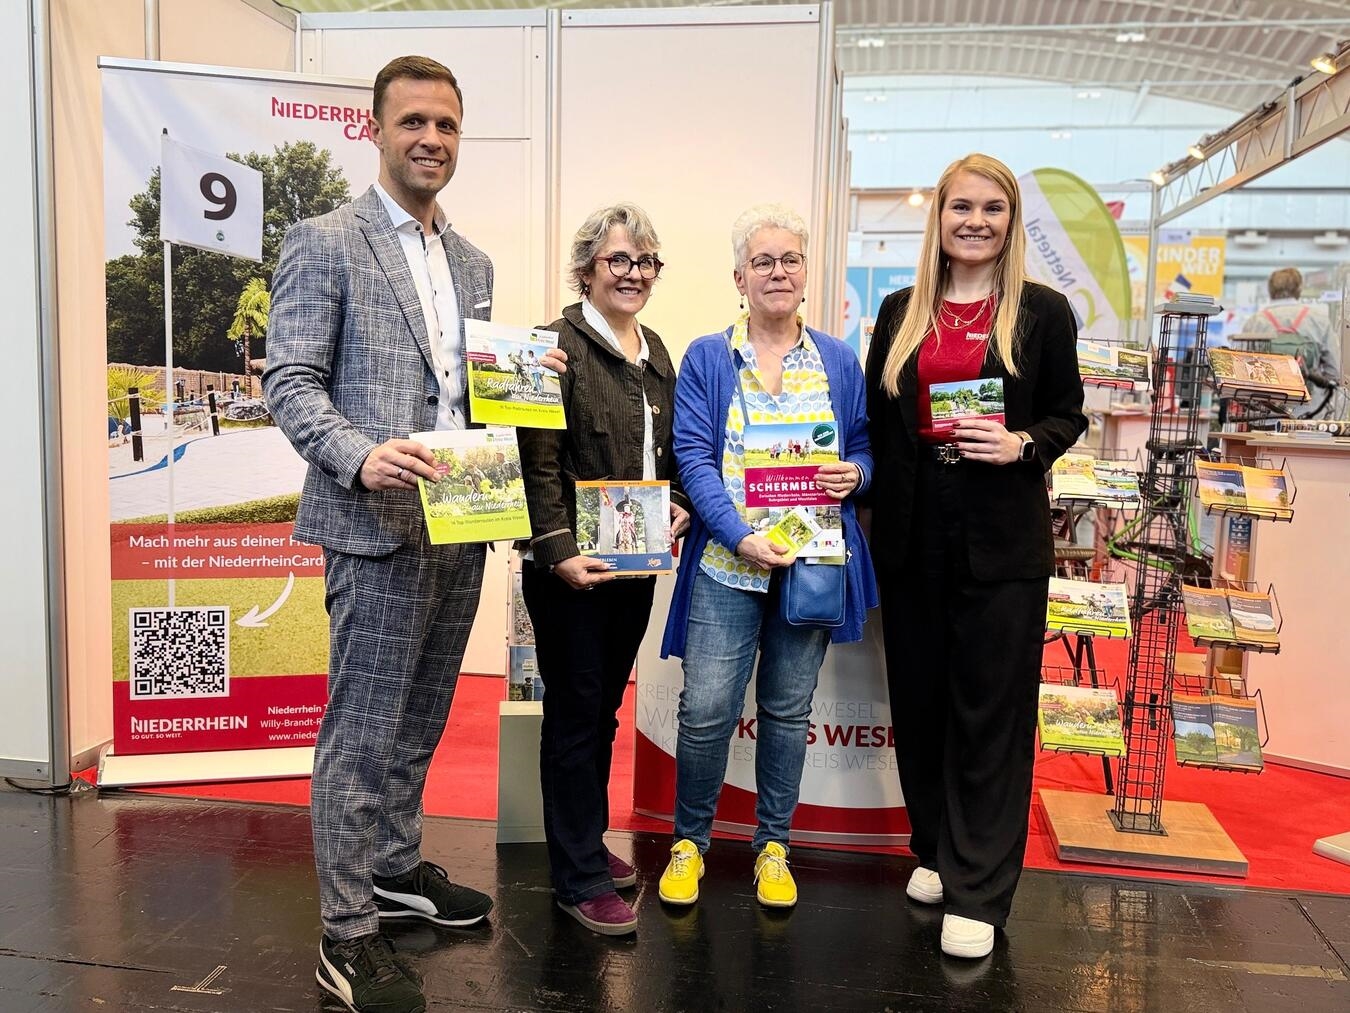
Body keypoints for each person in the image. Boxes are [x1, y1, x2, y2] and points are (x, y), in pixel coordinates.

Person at [264, 55, 564, 1013]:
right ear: (377, 131)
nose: (431, 139)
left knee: (423, 718)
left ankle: (393, 868)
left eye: (447, 125)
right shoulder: (325, 240)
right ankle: (346, 933)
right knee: (359, 734)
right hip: (373, 523)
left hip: (462, 521)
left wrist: (529, 374)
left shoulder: (470, 261)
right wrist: (358, 454)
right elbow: (291, 381)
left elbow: (467, 391)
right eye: (413, 123)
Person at [864, 153, 1087, 960]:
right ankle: (935, 848)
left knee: (989, 712)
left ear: (1011, 220)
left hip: (1000, 529)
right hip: (913, 526)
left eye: (993, 208)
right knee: (920, 704)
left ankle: (982, 890)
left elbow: (1069, 414)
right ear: (940, 216)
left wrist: (1023, 441)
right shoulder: (899, 312)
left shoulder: (1042, 312)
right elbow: (880, 430)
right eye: (962, 206)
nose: (976, 221)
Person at [658, 204, 877, 910]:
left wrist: (858, 474)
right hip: (729, 564)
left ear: (807, 273)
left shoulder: (839, 360)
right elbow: (691, 456)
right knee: (706, 710)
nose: (777, 272)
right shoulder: (707, 356)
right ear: (739, 278)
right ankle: (689, 841)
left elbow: (866, 445)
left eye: (789, 259)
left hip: (812, 565)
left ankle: (772, 845)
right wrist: (736, 533)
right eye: (763, 261)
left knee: (787, 709)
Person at [515, 203, 690, 935]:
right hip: (572, 572)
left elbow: (672, 449)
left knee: (602, 710)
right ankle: (577, 875)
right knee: (576, 715)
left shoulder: (656, 350)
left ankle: (581, 840)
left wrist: (679, 503)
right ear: (586, 266)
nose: (634, 274)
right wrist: (557, 551)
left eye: (646, 261)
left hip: (635, 565)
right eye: (620, 260)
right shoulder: (551, 346)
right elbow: (536, 459)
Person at [1237, 267, 1341, 417]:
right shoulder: (1319, 320)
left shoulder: (1255, 322)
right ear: (1299, 289)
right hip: (1310, 414)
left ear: (1270, 290)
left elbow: (1240, 373)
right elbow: (1334, 372)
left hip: (1265, 415)